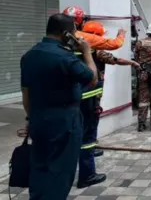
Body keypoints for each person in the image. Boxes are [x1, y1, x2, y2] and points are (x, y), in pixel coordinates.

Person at [21, 13, 97, 199]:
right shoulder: (66, 58)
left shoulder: (29, 55)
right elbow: (92, 78)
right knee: (60, 172)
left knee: (40, 168)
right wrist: (87, 52)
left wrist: (31, 119)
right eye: (73, 32)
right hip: (64, 122)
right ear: (66, 34)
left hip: (38, 119)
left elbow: (26, 95)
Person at [75, 22, 140, 189]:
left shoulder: (72, 50)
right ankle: (87, 174)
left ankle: (88, 151)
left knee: (81, 130)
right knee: (87, 134)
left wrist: (132, 63)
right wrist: (122, 34)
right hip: (90, 99)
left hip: (76, 98)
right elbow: (115, 53)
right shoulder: (91, 52)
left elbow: (114, 59)